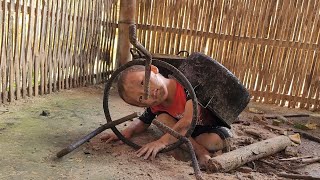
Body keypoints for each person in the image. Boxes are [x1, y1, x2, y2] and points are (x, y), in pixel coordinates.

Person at [100, 64, 232, 168]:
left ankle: (199, 150)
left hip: (210, 127)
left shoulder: (186, 85)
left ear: (152, 69)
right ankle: (198, 149)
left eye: (142, 83)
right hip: (187, 133)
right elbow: (142, 122)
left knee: (213, 142)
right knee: (162, 119)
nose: (147, 94)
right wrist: (127, 131)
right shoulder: (156, 106)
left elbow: (187, 122)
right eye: (141, 98)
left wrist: (161, 142)